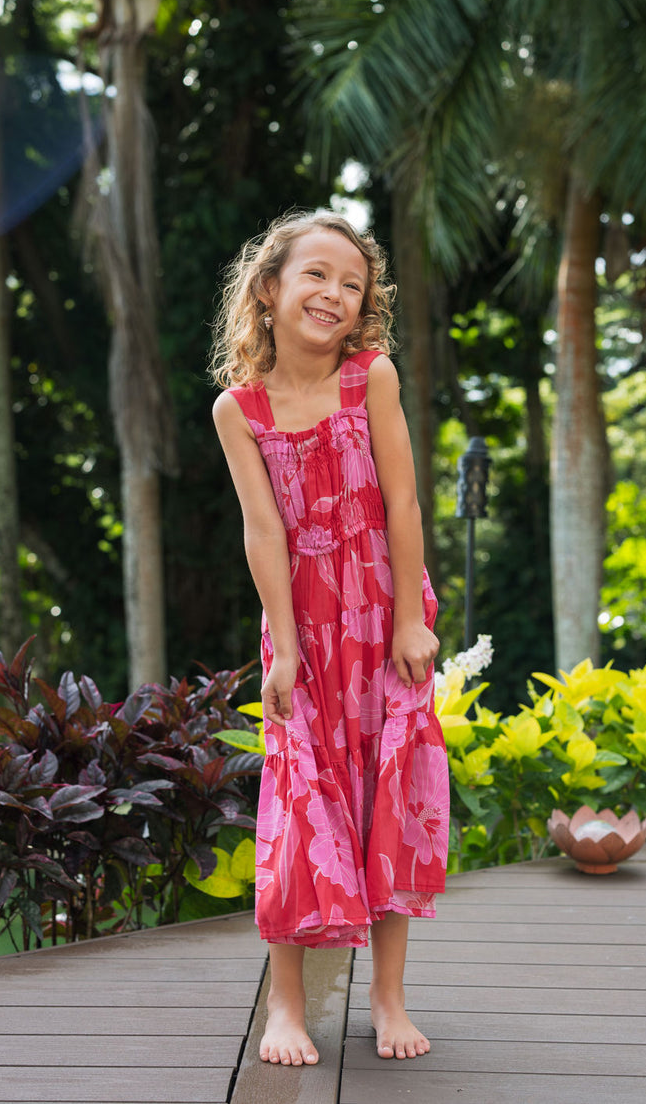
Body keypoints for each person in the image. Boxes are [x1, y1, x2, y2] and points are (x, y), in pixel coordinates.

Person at [210, 209, 449, 1068]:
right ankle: (285, 1005)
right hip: (303, 627)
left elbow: (403, 502)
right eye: (317, 274)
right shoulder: (238, 410)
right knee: (298, 801)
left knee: (388, 795)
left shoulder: (370, 378)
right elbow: (262, 532)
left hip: (385, 619)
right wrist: (282, 642)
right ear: (269, 288)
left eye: (352, 284)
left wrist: (413, 621)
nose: (334, 294)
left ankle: (387, 996)